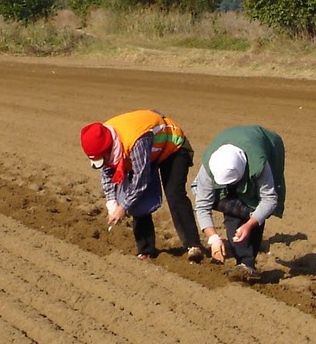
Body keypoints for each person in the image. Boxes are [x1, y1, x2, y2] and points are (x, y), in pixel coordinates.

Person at [79, 111, 204, 262]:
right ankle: (146, 250)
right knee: (137, 202)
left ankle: (193, 245)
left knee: (174, 194)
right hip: (149, 154)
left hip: (172, 148)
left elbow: (141, 180)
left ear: (109, 148)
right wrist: (112, 204)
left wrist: (123, 207)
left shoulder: (135, 139)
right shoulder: (103, 140)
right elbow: (107, 173)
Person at [191, 125, 286, 281]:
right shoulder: (209, 168)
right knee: (230, 207)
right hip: (234, 144)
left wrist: (250, 224)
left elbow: (269, 199)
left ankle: (247, 262)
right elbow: (202, 205)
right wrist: (213, 238)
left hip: (268, 145)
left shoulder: (259, 164)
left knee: (255, 206)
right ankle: (245, 263)